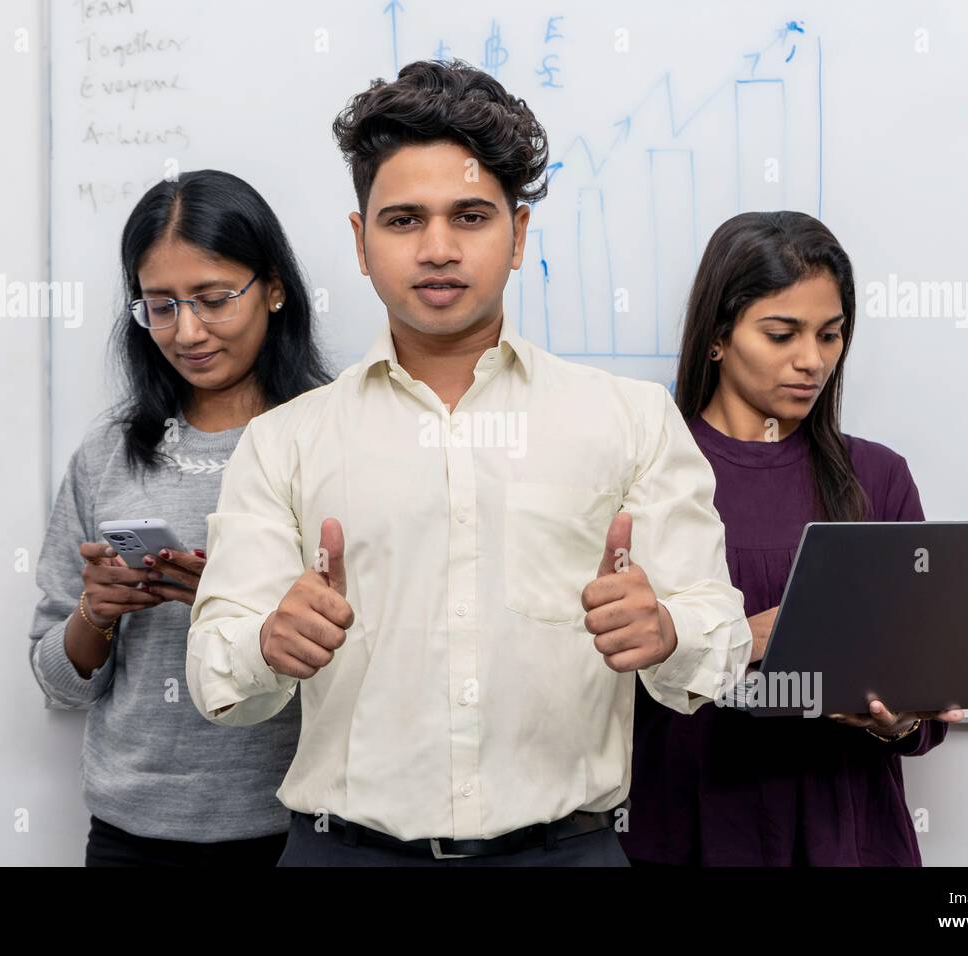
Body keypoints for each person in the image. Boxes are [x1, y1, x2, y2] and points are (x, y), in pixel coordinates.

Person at [184, 60, 752, 867]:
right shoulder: (286, 441)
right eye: (405, 219)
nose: (439, 248)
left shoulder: (629, 420)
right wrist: (267, 643)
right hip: (344, 854)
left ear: (519, 236)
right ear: (360, 240)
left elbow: (722, 643)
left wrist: (667, 631)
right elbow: (215, 676)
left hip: (567, 853)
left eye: (473, 216)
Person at [621, 210, 965, 867]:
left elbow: (921, 691)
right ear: (718, 337)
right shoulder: (647, 471)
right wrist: (744, 637)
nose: (812, 360)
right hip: (686, 822)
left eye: (830, 335)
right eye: (782, 334)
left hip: (847, 831)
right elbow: (591, 672)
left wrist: (904, 722)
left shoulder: (878, 477)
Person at [28, 169, 332, 866]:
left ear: (275, 288)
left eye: (213, 299)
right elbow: (55, 678)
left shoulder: (332, 438)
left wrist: (235, 606)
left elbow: (387, 656)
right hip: (132, 836)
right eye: (159, 306)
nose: (186, 331)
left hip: (298, 831)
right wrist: (96, 613)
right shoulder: (109, 454)